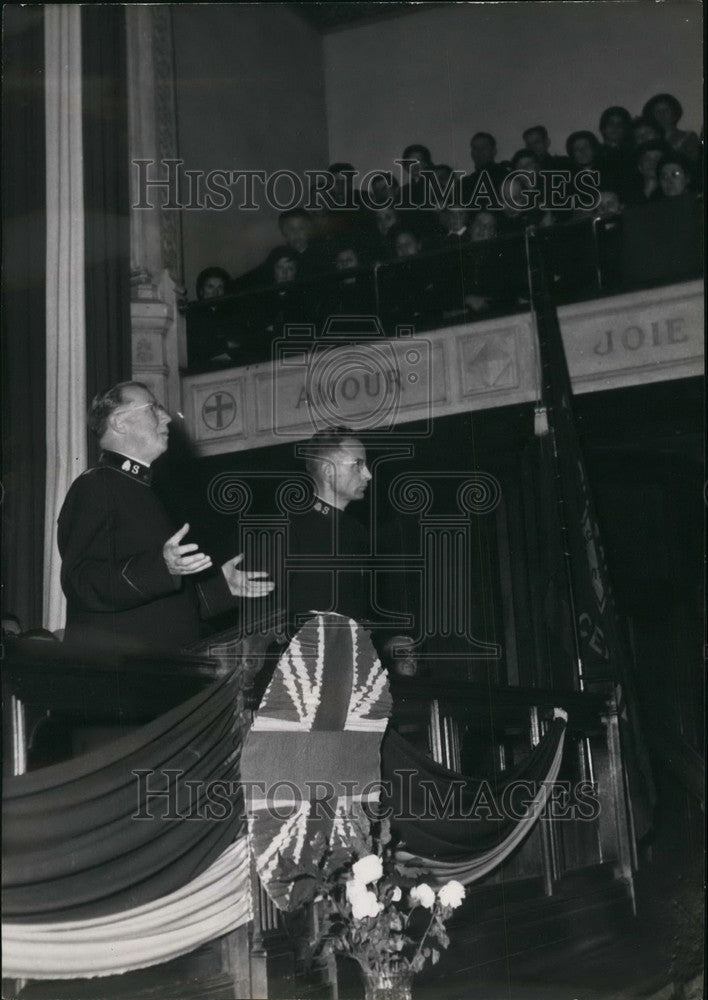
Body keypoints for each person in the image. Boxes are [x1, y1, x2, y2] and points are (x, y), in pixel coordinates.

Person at [58, 381, 274, 653]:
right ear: (119, 423)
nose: (167, 417)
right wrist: (163, 568)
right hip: (124, 677)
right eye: (153, 408)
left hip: (164, 671)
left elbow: (160, 601)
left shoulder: (148, 491)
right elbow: (81, 581)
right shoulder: (96, 485)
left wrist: (222, 588)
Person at [642, 93, 700, 170]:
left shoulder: (688, 137)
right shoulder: (649, 139)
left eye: (666, 110)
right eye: (657, 111)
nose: (662, 114)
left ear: (674, 112)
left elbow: (693, 163)